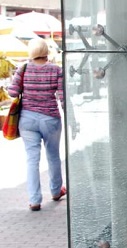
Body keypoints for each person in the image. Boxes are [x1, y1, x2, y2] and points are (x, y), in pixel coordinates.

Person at [7, 37, 65, 211]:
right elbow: (62, 96)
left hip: (28, 119)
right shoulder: (56, 70)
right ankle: (56, 191)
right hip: (50, 118)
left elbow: (13, 92)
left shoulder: (23, 68)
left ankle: (34, 200)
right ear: (46, 51)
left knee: (32, 159)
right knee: (53, 155)